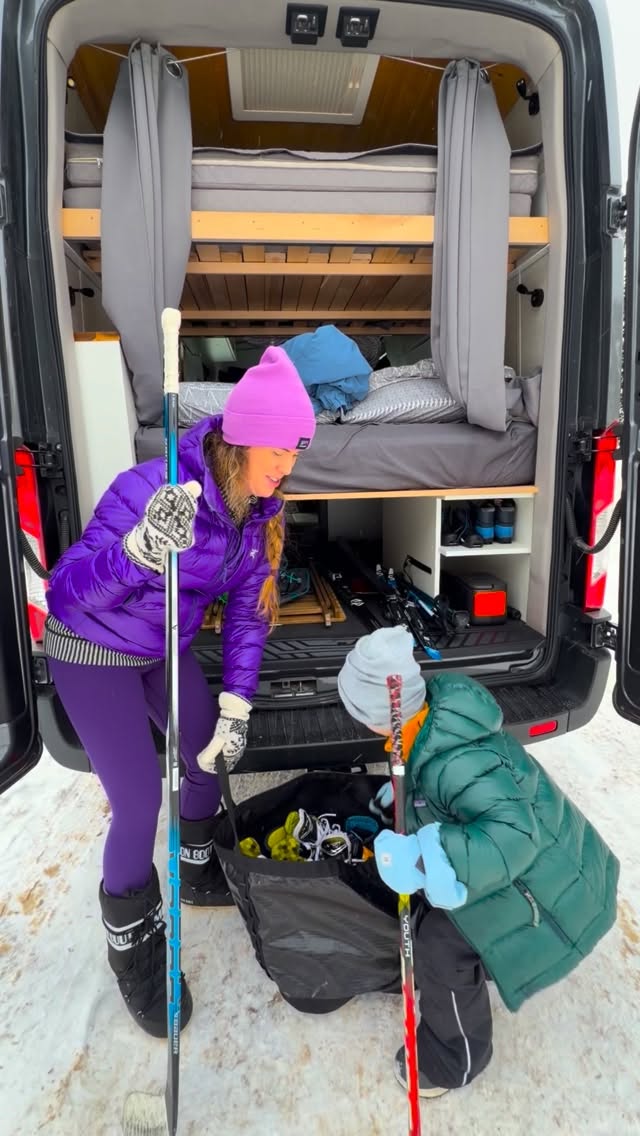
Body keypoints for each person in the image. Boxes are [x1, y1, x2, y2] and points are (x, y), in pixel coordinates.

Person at [44, 345, 316, 1037]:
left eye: (296, 449)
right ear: (243, 438)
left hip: (160, 648)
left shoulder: (258, 514)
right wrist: (134, 550)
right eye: (278, 448)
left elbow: (252, 615)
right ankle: (134, 951)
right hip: (92, 646)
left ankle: (195, 870)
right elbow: (64, 590)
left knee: (209, 756)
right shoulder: (150, 488)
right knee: (136, 804)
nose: (287, 465)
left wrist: (238, 704)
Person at [337, 626, 619, 1099]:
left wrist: (426, 855)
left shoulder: (455, 759)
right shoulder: (426, 723)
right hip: (528, 865)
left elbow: (514, 837)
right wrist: (403, 803)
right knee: (434, 913)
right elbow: (450, 795)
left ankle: (453, 1058)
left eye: (357, 711)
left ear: (376, 714)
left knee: (440, 945)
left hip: (544, 891)